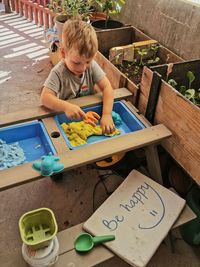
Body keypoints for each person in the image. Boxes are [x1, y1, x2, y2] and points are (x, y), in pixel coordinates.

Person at [41, 19, 115, 134]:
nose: (83, 68)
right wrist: (66, 107)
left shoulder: (91, 66)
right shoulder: (58, 73)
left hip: (88, 112)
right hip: (67, 118)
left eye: (88, 61)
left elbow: (107, 87)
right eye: (77, 63)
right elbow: (45, 98)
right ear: (63, 53)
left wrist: (106, 114)